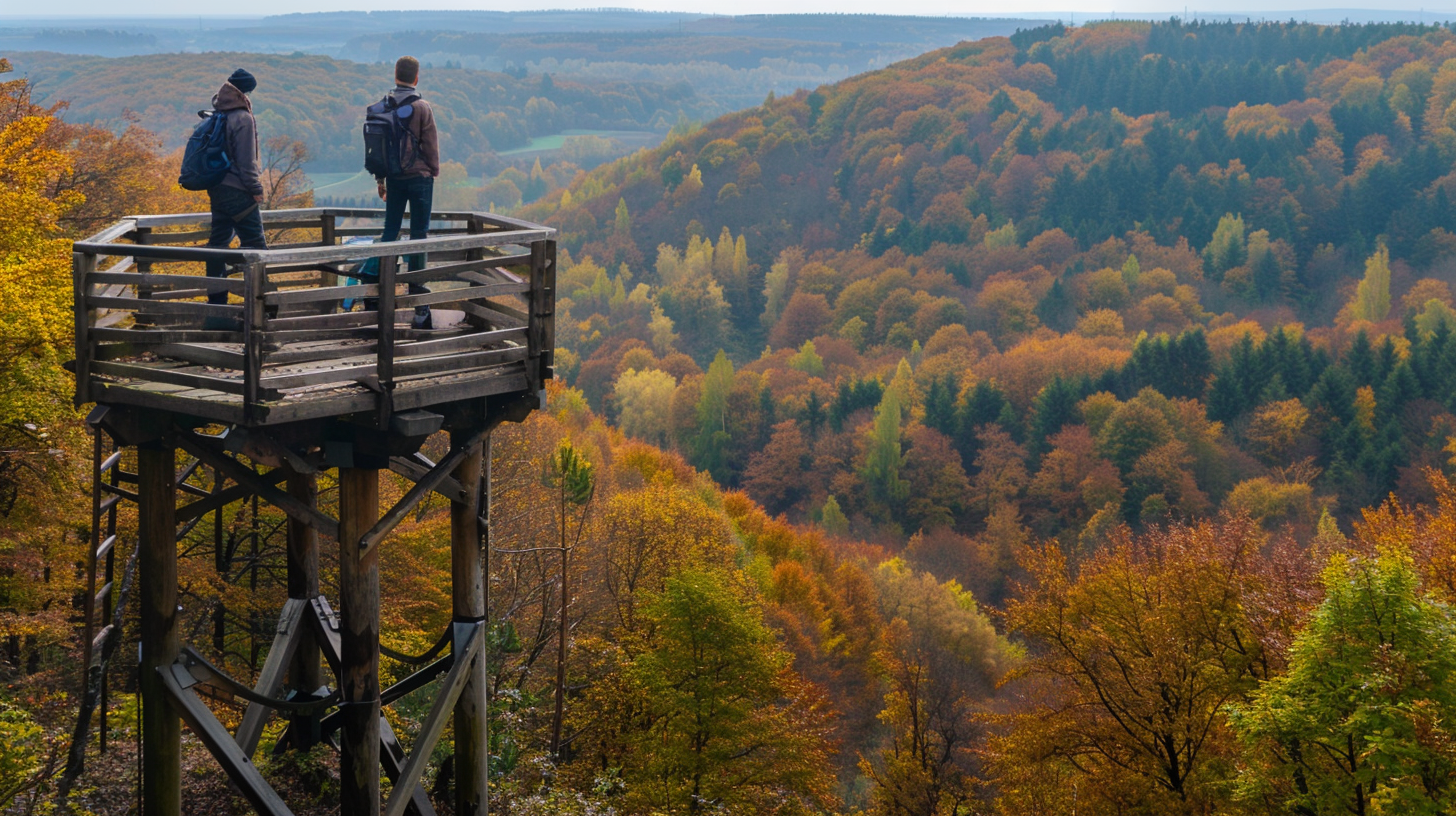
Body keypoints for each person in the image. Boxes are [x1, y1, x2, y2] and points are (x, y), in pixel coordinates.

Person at [375, 55, 440, 330]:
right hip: (420, 178)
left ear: (395, 74)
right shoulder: (422, 107)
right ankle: (419, 304)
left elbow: (376, 146)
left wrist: (381, 179)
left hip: (394, 178)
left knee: (390, 231)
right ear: (416, 78)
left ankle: (379, 290)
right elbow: (431, 145)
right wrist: (433, 170)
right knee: (418, 235)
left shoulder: (382, 106)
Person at [205, 69, 265, 327]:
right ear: (245, 93)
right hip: (238, 192)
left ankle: (217, 314)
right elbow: (246, 160)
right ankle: (259, 313)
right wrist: (256, 189)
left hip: (217, 188)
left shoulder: (220, 112)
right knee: (257, 249)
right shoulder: (243, 118)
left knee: (217, 247)